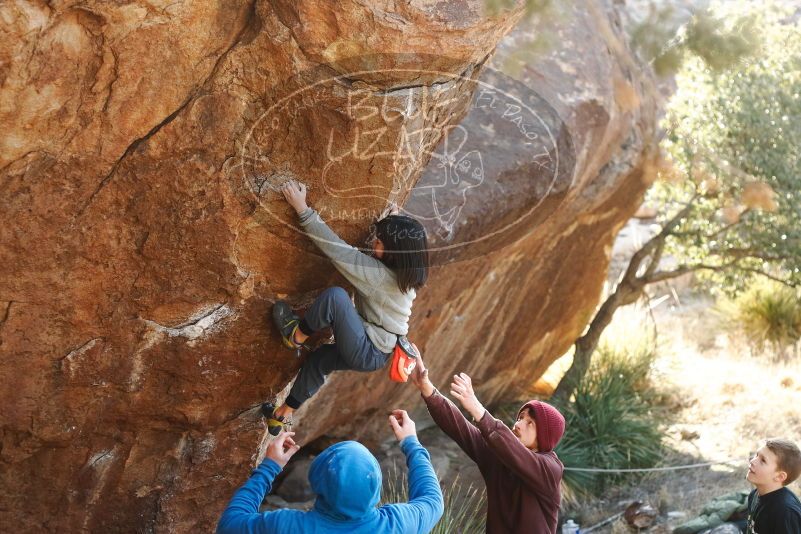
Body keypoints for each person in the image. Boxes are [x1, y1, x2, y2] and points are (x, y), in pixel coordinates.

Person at [262, 179, 429, 435]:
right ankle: (281, 415)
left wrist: (302, 209)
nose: (375, 243)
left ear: (395, 254)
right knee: (318, 361)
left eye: (380, 242)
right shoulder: (409, 276)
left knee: (336, 298)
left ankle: (295, 337)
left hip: (367, 348)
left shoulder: (380, 278)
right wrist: (394, 221)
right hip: (377, 352)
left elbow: (338, 251)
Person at [216, 410, 444, 534]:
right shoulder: (397, 525)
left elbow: (230, 523)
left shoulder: (288, 526)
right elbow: (433, 501)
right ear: (375, 486)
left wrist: (270, 467)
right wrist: (411, 443)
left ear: (317, 482)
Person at [409, 354, 565, 534]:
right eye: (521, 418)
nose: (518, 424)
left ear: (545, 436)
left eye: (530, 423)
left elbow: (521, 457)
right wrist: (426, 388)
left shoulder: (550, 470)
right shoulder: (499, 458)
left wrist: (477, 408)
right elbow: (460, 428)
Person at [744, 437, 801, 534]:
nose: (752, 461)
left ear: (779, 476)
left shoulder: (785, 512)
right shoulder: (754, 495)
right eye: (757, 455)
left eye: (763, 460)